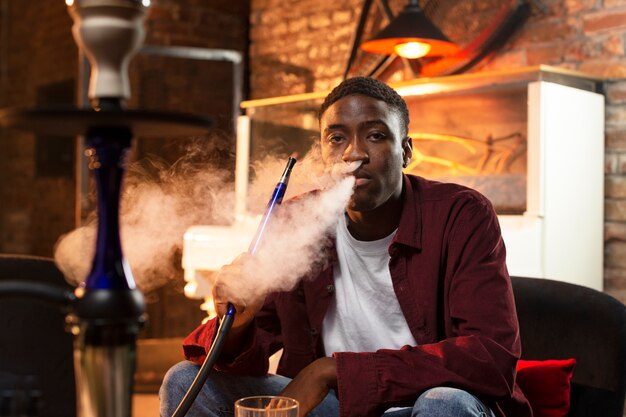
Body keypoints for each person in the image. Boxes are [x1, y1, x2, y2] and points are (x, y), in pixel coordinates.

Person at [160, 77, 531, 417]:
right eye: (337, 138)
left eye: (375, 136)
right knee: (183, 380)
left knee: (444, 403)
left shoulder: (461, 214)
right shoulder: (296, 220)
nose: (354, 154)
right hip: (335, 410)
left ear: (406, 151)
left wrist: (331, 371)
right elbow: (250, 349)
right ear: (323, 151)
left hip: (422, 405)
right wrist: (237, 324)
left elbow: (491, 358)